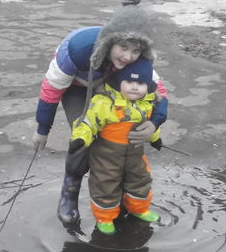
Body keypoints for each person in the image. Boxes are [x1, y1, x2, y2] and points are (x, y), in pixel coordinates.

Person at [33, 0, 168, 226]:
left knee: (123, 131)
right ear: (110, 41)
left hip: (111, 85)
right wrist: (42, 129)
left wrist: (154, 123)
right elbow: (51, 90)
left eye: (135, 51)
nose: (128, 56)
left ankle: (123, 193)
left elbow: (159, 93)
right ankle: (69, 191)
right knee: (85, 135)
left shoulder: (136, 58)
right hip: (75, 87)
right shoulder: (77, 49)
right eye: (123, 47)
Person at [67, 58, 162, 234]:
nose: (135, 87)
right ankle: (104, 217)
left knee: (140, 180)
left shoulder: (147, 103)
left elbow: (149, 126)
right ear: (119, 81)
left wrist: (155, 137)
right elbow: (88, 122)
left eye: (141, 83)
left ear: (148, 85)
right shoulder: (104, 102)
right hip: (106, 156)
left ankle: (139, 209)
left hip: (135, 155)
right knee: (105, 183)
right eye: (129, 82)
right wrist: (80, 139)